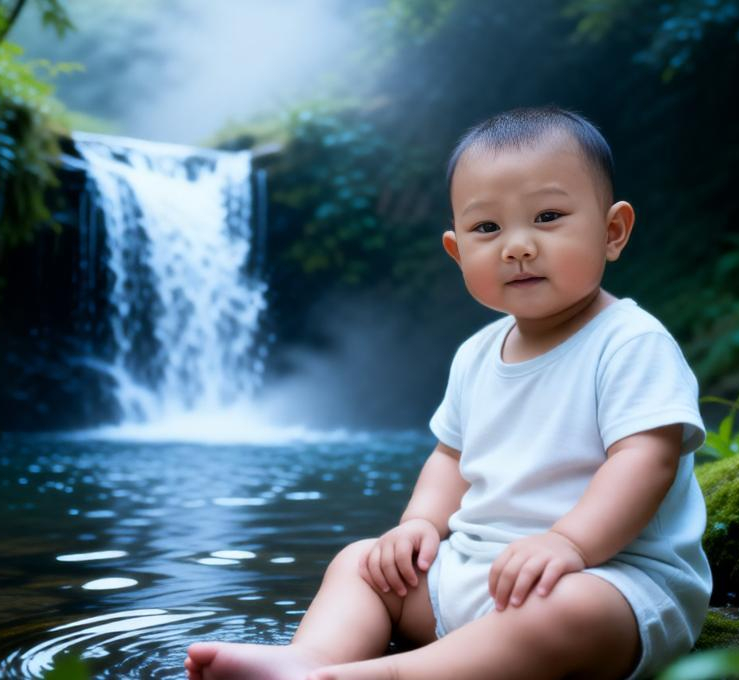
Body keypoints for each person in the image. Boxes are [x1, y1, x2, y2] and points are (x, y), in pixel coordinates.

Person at [184, 106, 712, 680]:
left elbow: (646, 459)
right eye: (487, 228)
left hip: (610, 581)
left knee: (568, 613)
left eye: (548, 216)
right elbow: (450, 458)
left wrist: (569, 544)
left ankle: (381, 675)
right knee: (361, 562)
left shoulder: (629, 341)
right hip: (476, 574)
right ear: (458, 252)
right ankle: (312, 658)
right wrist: (418, 526)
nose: (517, 246)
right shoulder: (476, 354)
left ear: (613, 232)